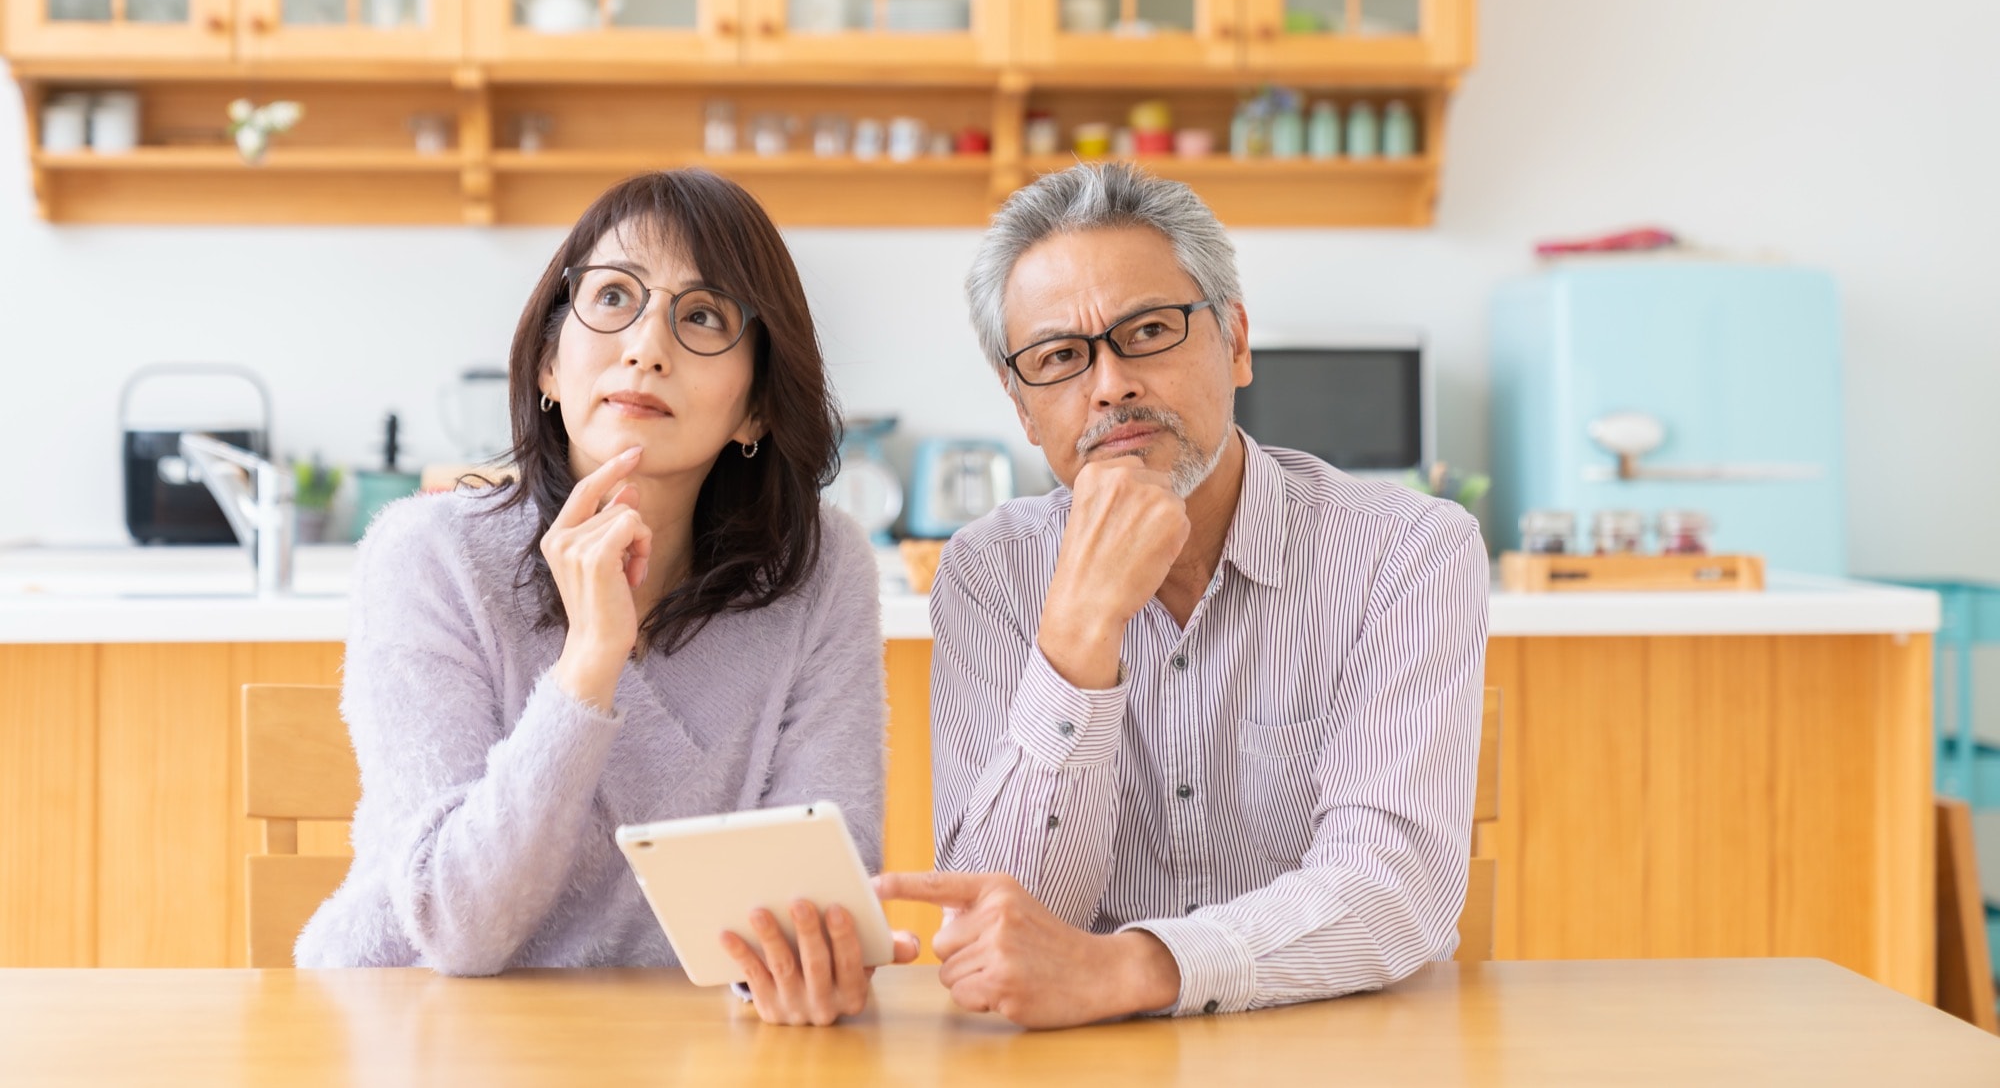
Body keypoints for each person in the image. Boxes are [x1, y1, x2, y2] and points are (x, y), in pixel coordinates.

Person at [877, 162, 1489, 1028]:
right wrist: (1082, 627)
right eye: (1059, 356)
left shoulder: (1409, 552)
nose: (1110, 384)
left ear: (1236, 341)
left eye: (1150, 329)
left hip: (1337, 1040)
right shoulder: (989, 573)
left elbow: (1392, 886)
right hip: (1081, 1057)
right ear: (1022, 409)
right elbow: (1001, 908)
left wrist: (1133, 966)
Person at [298, 169, 916, 1026]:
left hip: (679, 1042)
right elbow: (458, 928)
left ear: (756, 409)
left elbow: (817, 895)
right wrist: (589, 663)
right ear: (551, 362)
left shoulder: (822, 571)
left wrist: (814, 961)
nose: (646, 346)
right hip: (415, 1026)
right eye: (614, 297)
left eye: (702, 315)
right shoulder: (426, 555)